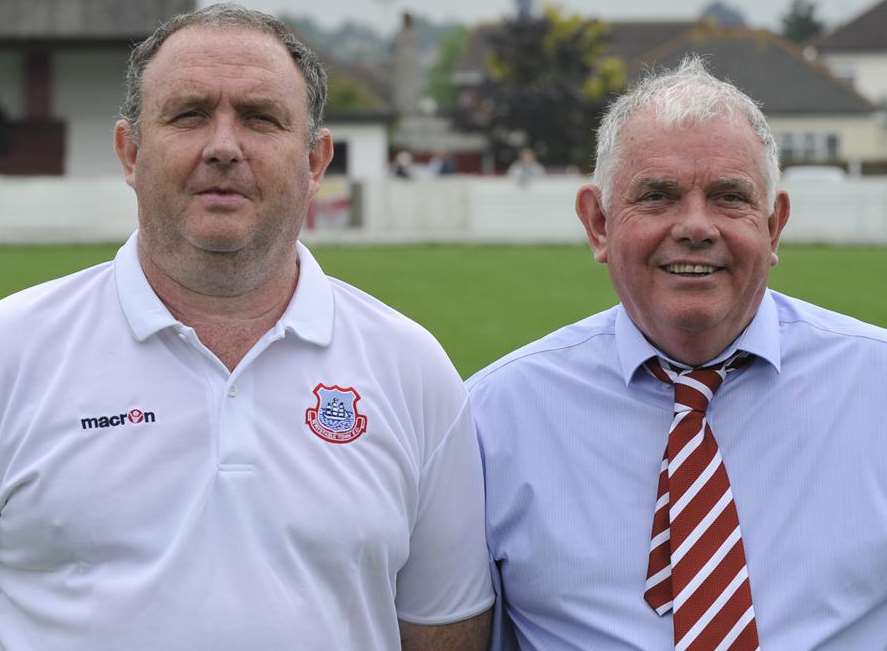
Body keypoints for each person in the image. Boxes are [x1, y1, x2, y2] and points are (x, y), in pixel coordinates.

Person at [0, 5, 492, 650]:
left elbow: (444, 631)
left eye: (260, 118)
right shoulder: (14, 349)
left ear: (315, 162)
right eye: (189, 114)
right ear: (130, 151)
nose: (224, 146)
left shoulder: (411, 368)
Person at [468, 56, 887, 650]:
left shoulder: (878, 388)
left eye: (728, 197)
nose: (695, 226)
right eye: (658, 196)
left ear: (774, 227)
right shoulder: (490, 420)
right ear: (598, 224)